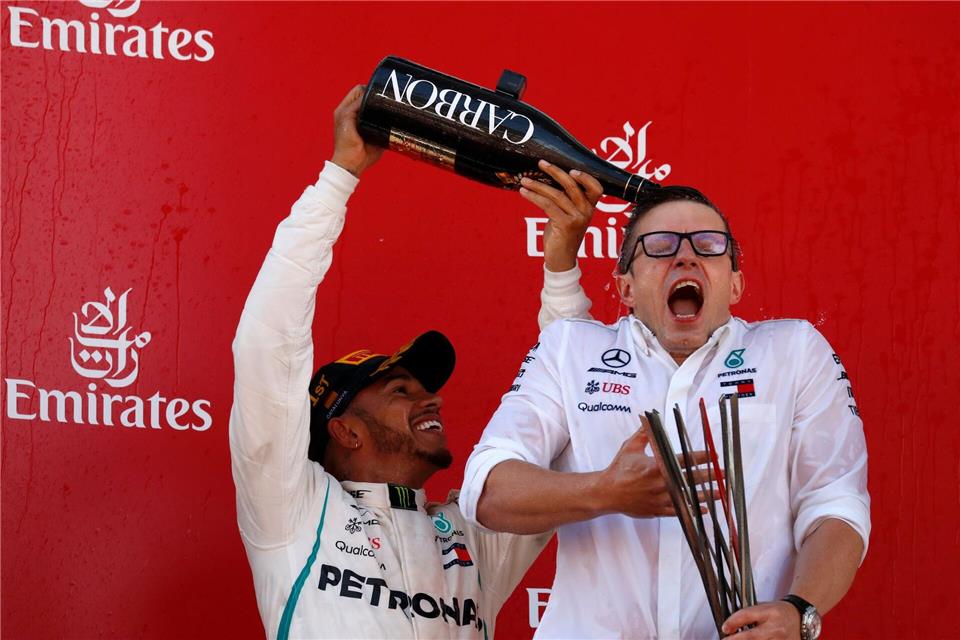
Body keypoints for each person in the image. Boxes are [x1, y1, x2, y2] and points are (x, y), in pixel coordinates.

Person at [229, 85, 603, 639]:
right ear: (345, 431)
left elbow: (573, 413)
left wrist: (562, 268)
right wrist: (339, 176)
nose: (432, 398)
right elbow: (269, 346)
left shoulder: (475, 532)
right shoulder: (292, 511)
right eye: (400, 390)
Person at [459, 179, 870, 639]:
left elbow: (836, 505)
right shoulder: (569, 347)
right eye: (659, 246)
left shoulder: (793, 350)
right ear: (626, 287)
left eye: (710, 245)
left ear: (735, 284)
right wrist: (604, 491)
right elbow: (486, 490)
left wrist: (800, 612)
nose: (686, 256)